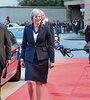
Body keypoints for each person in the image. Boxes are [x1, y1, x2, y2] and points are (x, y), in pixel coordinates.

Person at [20, 9, 55, 100]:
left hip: (42, 58)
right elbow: (23, 44)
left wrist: (52, 60)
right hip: (29, 58)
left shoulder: (46, 28)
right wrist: (21, 58)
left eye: (40, 16)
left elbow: (51, 45)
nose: (38, 18)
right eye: (36, 17)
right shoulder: (27, 28)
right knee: (29, 82)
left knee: (39, 82)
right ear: (32, 18)